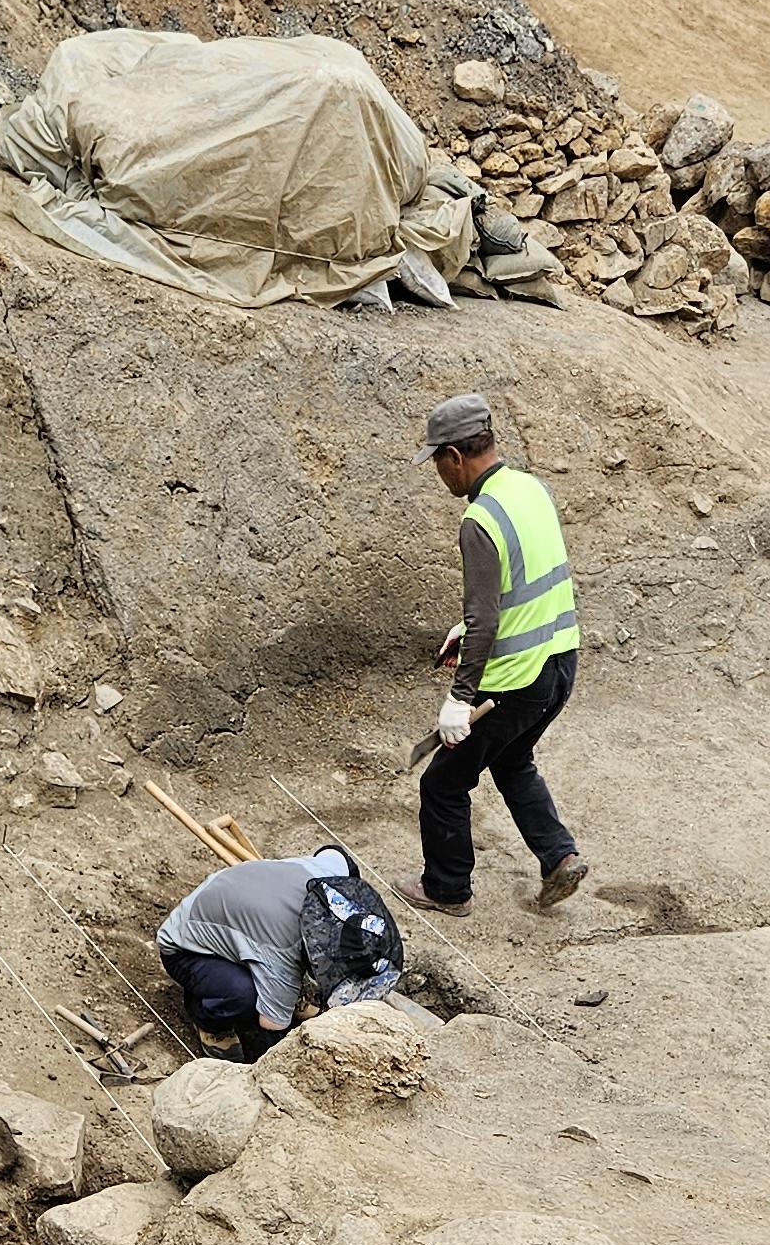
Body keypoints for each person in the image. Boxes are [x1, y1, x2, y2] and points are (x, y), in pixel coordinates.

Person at [400, 393, 585, 919]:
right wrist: (466, 629)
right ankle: (559, 856)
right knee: (511, 758)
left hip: (514, 681)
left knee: (442, 784)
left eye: (437, 461)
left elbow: (485, 618)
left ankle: (446, 888)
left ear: (455, 457)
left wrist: (460, 700)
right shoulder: (531, 489)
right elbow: (523, 582)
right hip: (560, 662)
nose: (438, 473)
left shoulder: (479, 520)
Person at [156, 843, 362, 1061]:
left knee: (279, 972)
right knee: (243, 995)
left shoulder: (333, 876)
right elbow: (271, 1025)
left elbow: (336, 852)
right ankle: (208, 1020)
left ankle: (279, 992)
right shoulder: (282, 948)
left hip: (231, 910)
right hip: (186, 947)